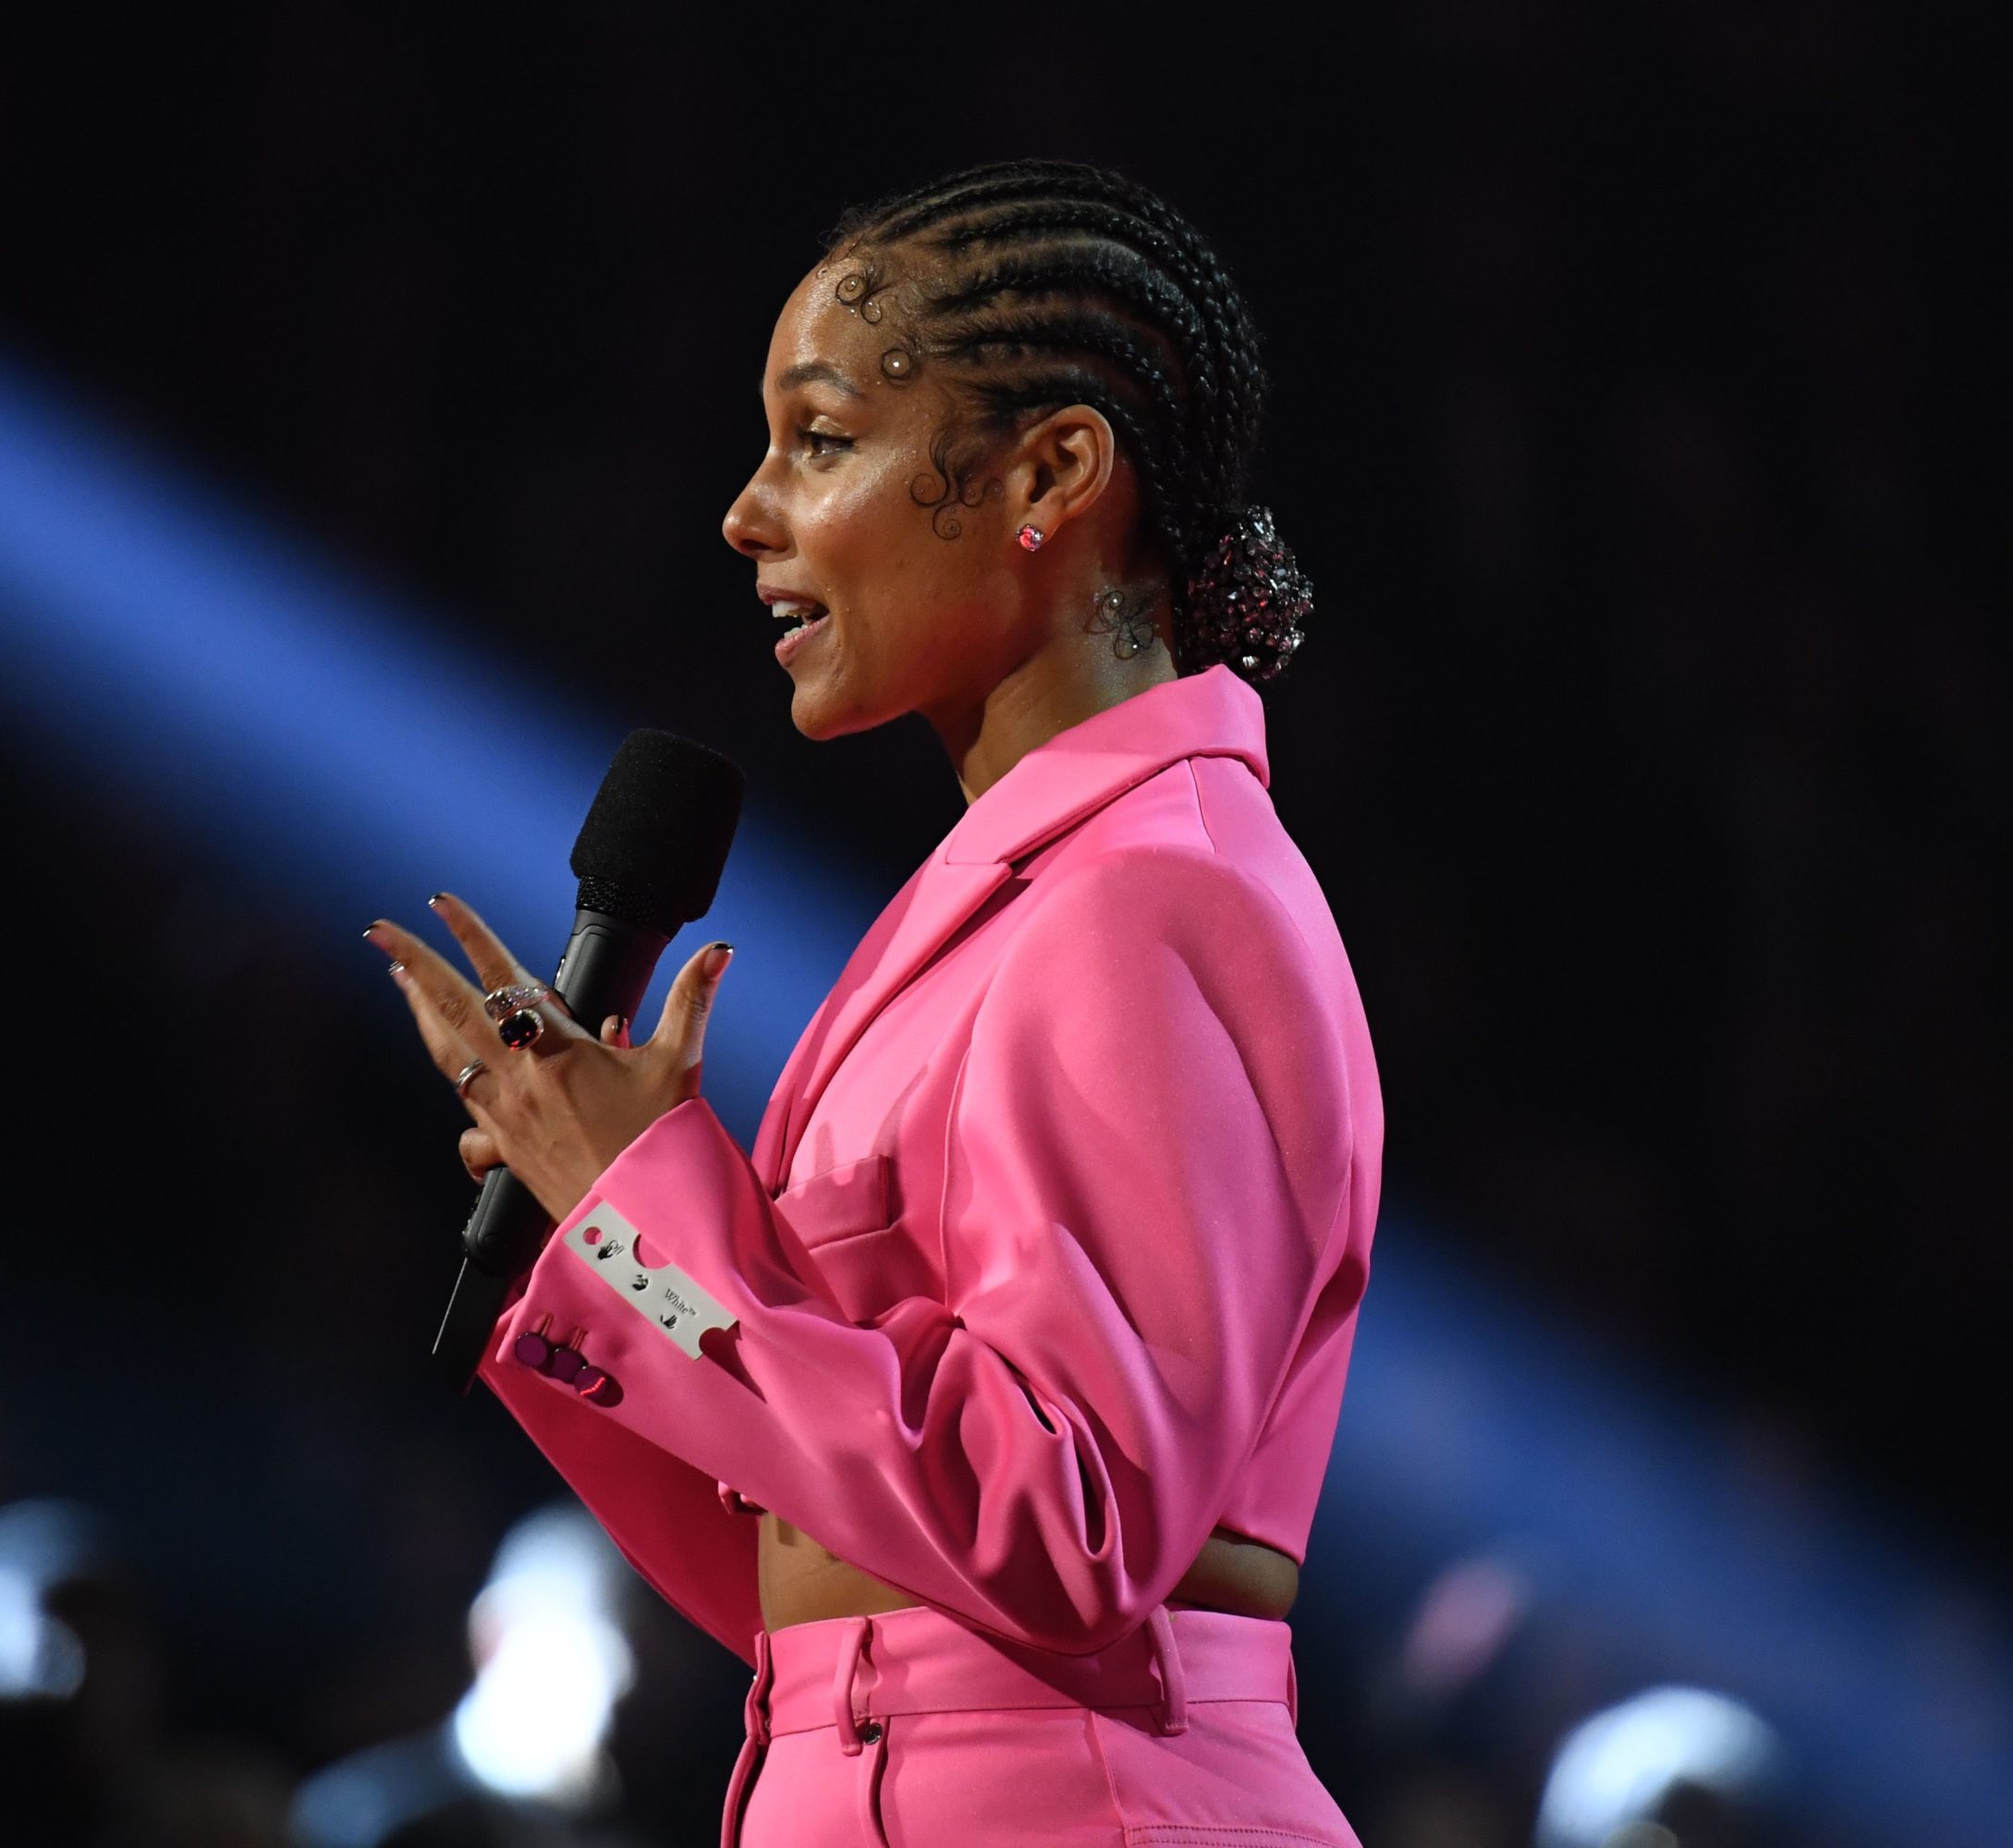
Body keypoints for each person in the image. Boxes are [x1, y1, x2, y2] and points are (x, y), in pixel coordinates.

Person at [366, 159, 1378, 1848]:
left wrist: (655, 1211)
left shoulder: (1150, 897)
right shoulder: (1011, 904)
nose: (747, 513)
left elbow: (1065, 1531)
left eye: (821, 440)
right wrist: (596, 1225)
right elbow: (806, 1576)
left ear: (1051, 470)